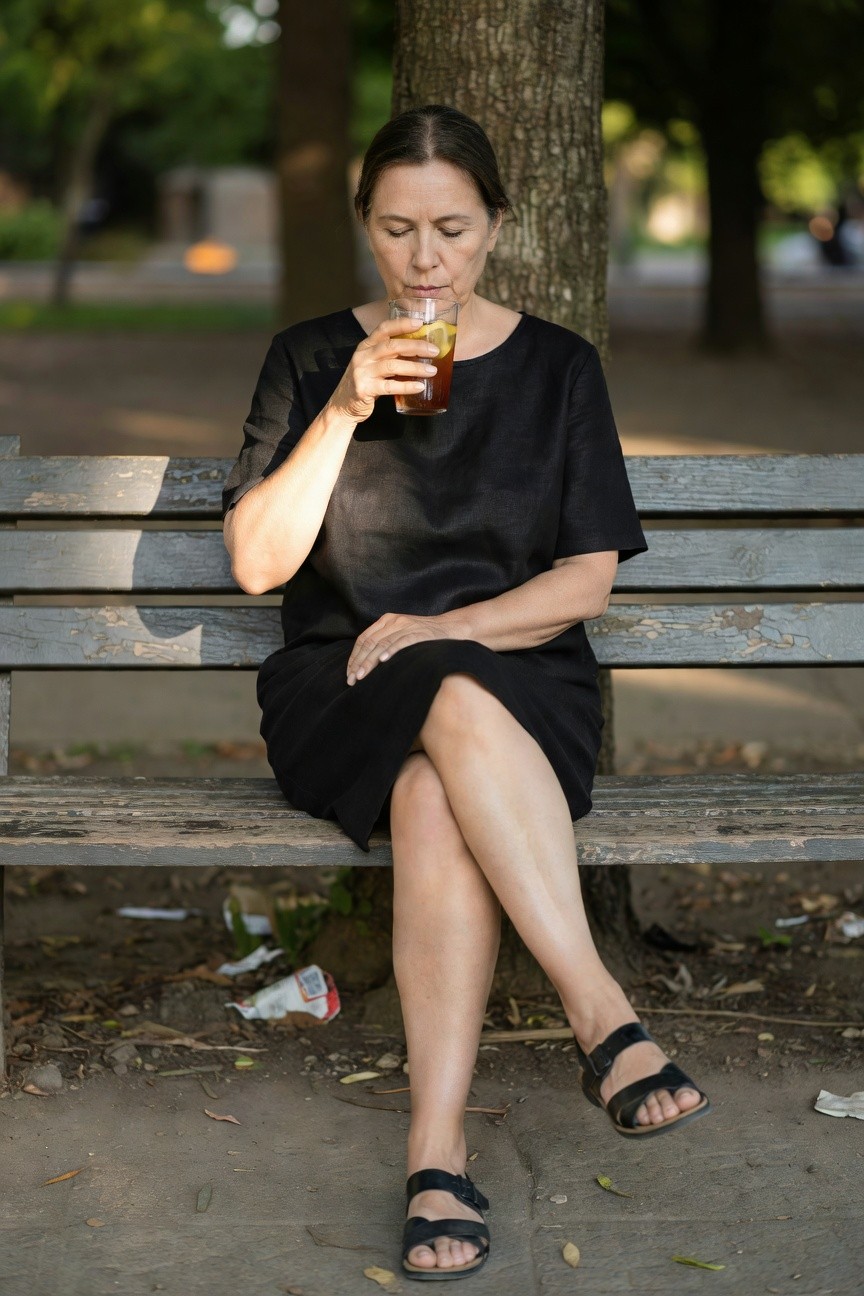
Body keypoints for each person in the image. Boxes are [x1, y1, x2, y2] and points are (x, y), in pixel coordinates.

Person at [222, 104, 710, 1283]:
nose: (424, 259)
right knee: (425, 709)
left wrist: (443, 628)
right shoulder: (306, 358)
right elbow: (257, 564)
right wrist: (341, 410)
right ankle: (600, 1015)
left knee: (438, 779)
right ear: (366, 230)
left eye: (449, 227)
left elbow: (584, 579)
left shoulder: (557, 370)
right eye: (397, 230)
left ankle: (434, 1156)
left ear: (496, 227)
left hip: (521, 690)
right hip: (338, 684)